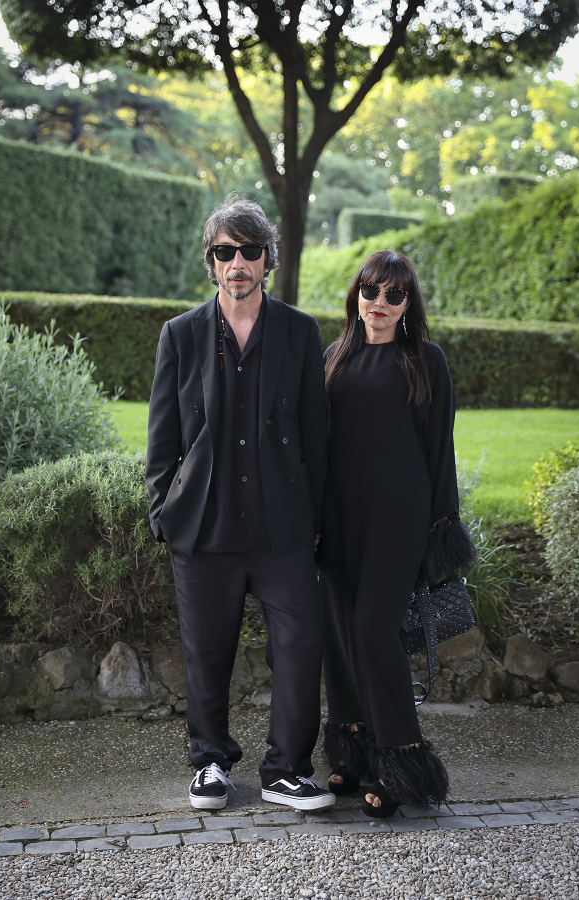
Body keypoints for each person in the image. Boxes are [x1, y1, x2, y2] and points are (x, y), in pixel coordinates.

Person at [145, 194, 334, 812]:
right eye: (225, 252)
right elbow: (163, 436)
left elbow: (316, 437)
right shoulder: (181, 335)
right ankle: (210, 763)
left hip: (283, 528)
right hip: (204, 524)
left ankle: (285, 769)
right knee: (206, 649)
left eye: (249, 251)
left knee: (302, 642)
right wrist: (162, 511)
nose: (237, 263)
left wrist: (317, 521)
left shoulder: (301, 333)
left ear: (266, 260)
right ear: (211, 262)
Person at [319, 249, 474, 818]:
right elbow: (318, 449)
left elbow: (441, 450)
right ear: (355, 294)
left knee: (371, 629)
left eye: (393, 295)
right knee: (339, 631)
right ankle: (352, 748)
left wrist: (440, 527)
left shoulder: (425, 360)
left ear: (408, 304)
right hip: (337, 519)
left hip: (397, 519)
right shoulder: (331, 357)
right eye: (370, 290)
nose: (378, 304)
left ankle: (401, 760)